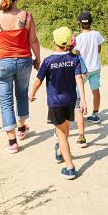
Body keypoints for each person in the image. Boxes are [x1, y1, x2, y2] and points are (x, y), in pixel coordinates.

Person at [0, 0, 41, 153]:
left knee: (6, 101)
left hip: (2, 63)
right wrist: (38, 59)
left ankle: (12, 142)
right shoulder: (26, 16)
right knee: (22, 93)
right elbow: (34, 41)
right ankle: (22, 128)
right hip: (23, 61)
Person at [30, 27, 86, 180]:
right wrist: (84, 100)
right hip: (71, 101)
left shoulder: (48, 61)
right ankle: (61, 151)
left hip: (55, 103)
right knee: (66, 130)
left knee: (61, 135)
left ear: (54, 41)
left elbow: (38, 81)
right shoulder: (74, 59)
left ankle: (70, 167)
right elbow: (79, 79)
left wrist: (32, 94)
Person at [74, 11, 105, 124]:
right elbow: (99, 50)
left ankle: (79, 113)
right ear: (91, 22)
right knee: (95, 90)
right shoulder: (96, 34)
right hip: (95, 67)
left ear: (79, 23)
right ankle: (95, 114)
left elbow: (78, 55)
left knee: (77, 92)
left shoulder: (78, 38)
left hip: (83, 70)